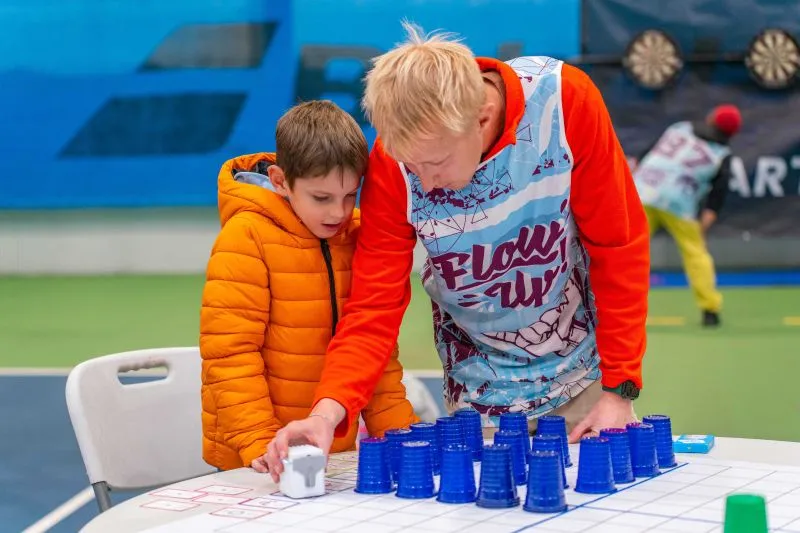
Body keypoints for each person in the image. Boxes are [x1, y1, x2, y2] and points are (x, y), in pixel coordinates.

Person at [264, 24, 651, 481]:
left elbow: (618, 247)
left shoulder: (565, 102)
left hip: (584, 381)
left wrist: (619, 390)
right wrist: (325, 415)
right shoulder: (397, 160)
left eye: (435, 164)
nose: (425, 184)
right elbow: (373, 308)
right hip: (478, 397)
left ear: (482, 119)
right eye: (411, 167)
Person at [199, 100, 417, 472]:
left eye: (350, 196)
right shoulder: (246, 237)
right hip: (256, 457)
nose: (339, 212)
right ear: (280, 181)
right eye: (321, 198)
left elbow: (373, 354)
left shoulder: (357, 234)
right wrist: (259, 442)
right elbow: (230, 354)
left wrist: (400, 435)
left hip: (331, 449)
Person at [632, 105, 742, 327]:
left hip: (643, 191)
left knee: (628, 251)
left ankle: (610, 305)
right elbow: (717, 195)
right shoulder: (722, 155)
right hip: (679, 203)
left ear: (711, 118)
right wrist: (704, 223)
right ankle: (710, 310)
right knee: (696, 254)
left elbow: (647, 155)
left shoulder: (680, 128)